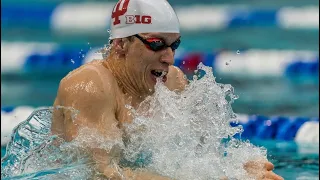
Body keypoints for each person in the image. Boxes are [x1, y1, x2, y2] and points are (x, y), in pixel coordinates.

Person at [51, 0, 284, 179]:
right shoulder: (91, 86)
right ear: (121, 43)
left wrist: (239, 170)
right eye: (157, 44)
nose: (170, 58)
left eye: (174, 45)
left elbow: (197, 156)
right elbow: (103, 174)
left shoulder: (172, 82)